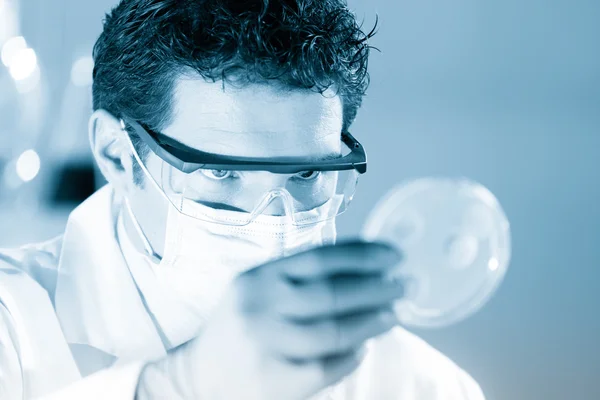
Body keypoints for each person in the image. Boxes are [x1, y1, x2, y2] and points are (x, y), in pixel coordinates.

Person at [0, 0, 486, 399]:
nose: (276, 222)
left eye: (308, 171)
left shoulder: (422, 386)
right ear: (119, 156)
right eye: (220, 170)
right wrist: (178, 388)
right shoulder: (13, 327)